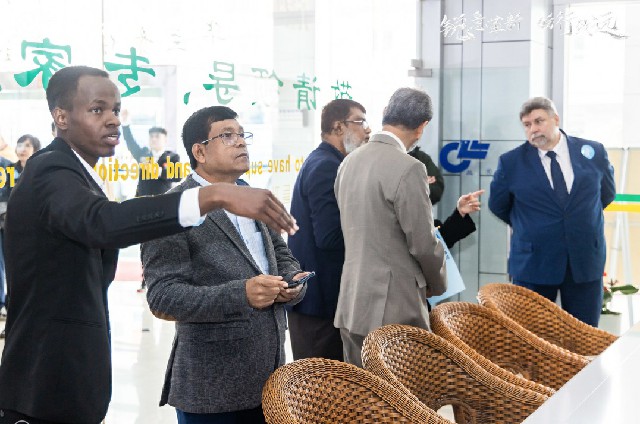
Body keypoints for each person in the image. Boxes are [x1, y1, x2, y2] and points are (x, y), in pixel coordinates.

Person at [0, 66, 297, 424]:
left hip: (67, 378)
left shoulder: (79, 176)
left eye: (115, 109)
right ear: (61, 117)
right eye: (97, 109)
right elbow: (104, 223)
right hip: (45, 383)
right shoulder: (50, 170)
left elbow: (280, 254)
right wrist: (211, 197)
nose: (113, 119)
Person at [142, 105, 307, 424]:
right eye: (227, 136)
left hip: (271, 378)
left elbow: (279, 252)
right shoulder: (173, 209)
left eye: (242, 134)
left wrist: (291, 281)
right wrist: (241, 294)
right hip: (212, 387)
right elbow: (163, 297)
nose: (241, 142)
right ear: (200, 152)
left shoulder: (252, 196)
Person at [334, 87, 447, 367]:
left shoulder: (349, 161)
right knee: (402, 392)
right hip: (394, 307)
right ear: (422, 127)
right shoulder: (410, 167)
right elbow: (422, 243)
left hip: (352, 301)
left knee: (360, 389)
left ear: (386, 114)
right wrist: (437, 283)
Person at [488, 96, 615, 327]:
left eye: (539, 121)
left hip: (584, 260)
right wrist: (531, 226)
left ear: (556, 119)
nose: (533, 129)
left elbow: (606, 194)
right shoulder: (511, 162)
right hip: (533, 263)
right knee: (532, 337)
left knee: (585, 335)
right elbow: (498, 205)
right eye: (527, 125)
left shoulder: (593, 152)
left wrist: (580, 219)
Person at [287, 99, 371, 361]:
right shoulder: (327, 166)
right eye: (360, 122)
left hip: (322, 302)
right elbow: (329, 236)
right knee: (321, 382)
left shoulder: (329, 161)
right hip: (320, 302)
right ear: (338, 127)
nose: (367, 129)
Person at [0, 135, 42, 338]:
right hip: (9, 228)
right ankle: (11, 321)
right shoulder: (9, 169)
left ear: (35, 149)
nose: (23, 149)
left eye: (27, 145)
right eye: (20, 145)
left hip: (33, 232)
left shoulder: (39, 170)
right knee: (11, 273)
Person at [121, 109, 182, 196]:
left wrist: (160, 172)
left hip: (162, 201)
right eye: (151, 136)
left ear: (165, 139)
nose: (153, 139)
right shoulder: (143, 153)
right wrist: (125, 124)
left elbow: (178, 176)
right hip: (142, 200)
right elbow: (130, 141)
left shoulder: (173, 157)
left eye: (157, 136)